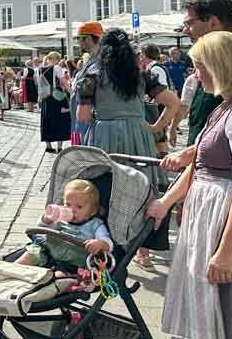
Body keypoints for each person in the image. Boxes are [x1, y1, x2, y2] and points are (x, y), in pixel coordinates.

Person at [149, 31, 232, 339]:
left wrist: (226, 253)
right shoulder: (229, 105)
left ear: (221, 65)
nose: (196, 75)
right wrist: (166, 202)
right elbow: (202, 166)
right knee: (216, 322)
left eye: (200, 67)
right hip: (211, 223)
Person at [76, 28, 184, 266]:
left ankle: (108, 247)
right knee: (142, 187)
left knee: (107, 188)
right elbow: (174, 103)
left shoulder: (93, 77)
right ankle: (143, 251)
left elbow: (82, 117)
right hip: (138, 135)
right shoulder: (141, 76)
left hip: (105, 135)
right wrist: (156, 127)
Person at [163, 0, 232, 173]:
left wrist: (191, 152)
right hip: (204, 174)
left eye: (190, 23)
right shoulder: (204, 69)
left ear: (213, 22)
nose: (185, 30)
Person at [15, 179, 113, 267]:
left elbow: (107, 240)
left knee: (73, 269)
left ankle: (61, 278)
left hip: (74, 260)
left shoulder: (95, 225)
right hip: (50, 251)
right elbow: (42, 228)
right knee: (32, 253)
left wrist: (100, 243)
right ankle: (12, 270)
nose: (71, 210)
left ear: (93, 210)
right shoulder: (61, 219)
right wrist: (47, 219)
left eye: (79, 207)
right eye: (68, 204)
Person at [70, 23, 104, 144]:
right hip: (82, 122)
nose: (78, 42)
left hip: (91, 123)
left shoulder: (101, 59)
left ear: (88, 38)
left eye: (78, 38)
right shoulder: (90, 58)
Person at [38, 51, 70, 154]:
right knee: (60, 119)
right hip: (56, 97)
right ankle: (59, 146)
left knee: (47, 119)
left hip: (45, 97)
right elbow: (63, 82)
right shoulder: (56, 68)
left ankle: (48, 145)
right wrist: (71, 92)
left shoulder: (41, 69)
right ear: (56, 59)